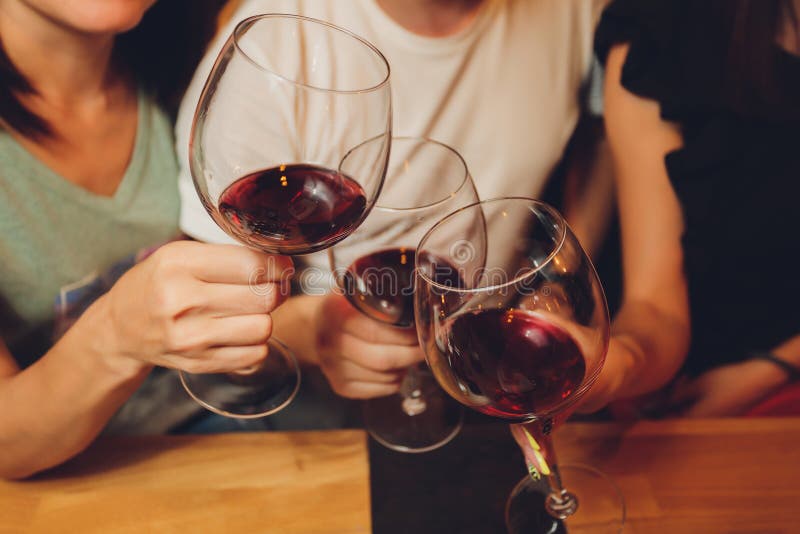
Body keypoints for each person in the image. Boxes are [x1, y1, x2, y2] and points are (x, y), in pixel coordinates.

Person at [177, 0, 611, 404]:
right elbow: (216, 315)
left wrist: (565, 272)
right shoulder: (274, 42)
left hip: (493, 354)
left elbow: (602, 137)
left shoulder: (577, 10)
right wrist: (313, 332)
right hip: (321, 397)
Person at [0, 0, 293, 480]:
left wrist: (317, 329)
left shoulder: (201, 65)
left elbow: (209, 313)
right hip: (78, 481)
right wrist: (115, 335)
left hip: (234, 437)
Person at [580, 0, 800, 418]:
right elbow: (655, 304)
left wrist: (770, 371)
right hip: (682, 374)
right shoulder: (663, 30)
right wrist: (624, 363)